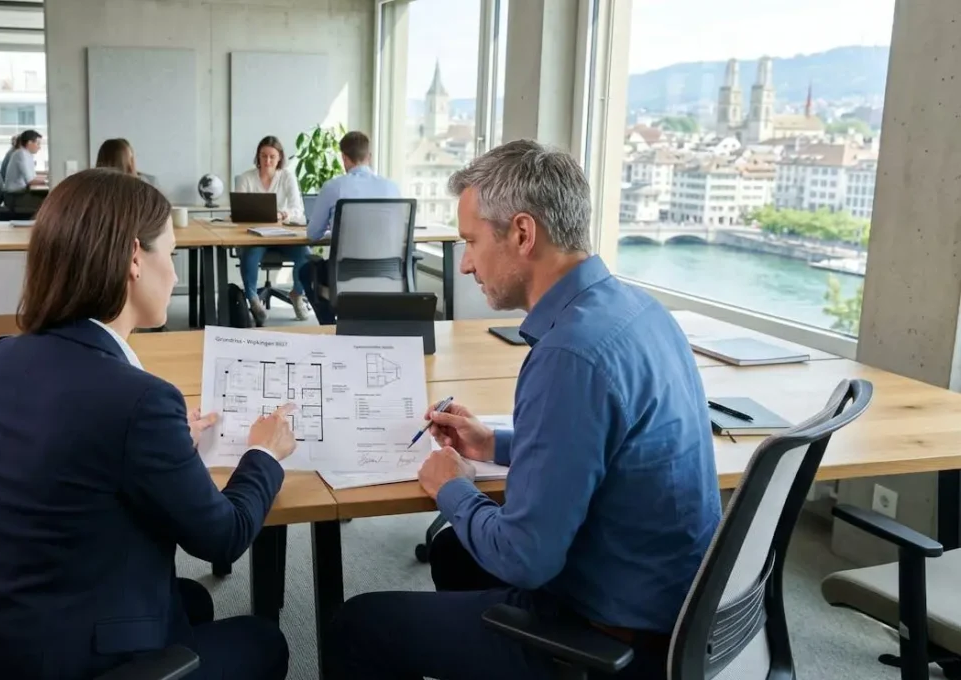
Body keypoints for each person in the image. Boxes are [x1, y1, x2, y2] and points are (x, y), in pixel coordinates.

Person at [325, 140, 721, 680]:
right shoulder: (638, 310)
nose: (463, 264)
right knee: (452, 553)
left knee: (356, 625)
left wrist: (451, 486)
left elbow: (525, 558)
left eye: (470, 242)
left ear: (522, 233)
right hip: (676, 599)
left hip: (615, 631)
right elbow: (600, 445)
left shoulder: (569, 355)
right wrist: (492, 444)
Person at [0, 169, 295, 680]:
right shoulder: (140, 400)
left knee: (192, 600)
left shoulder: (0, 358)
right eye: (170, 255)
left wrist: (166, 443)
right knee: (266, 642)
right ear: (135, 257)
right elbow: (224, 537)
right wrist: (263, 454)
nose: (175, 275)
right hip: (70, 662)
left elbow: (76, 448)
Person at [299, 130, 399, 324]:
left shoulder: (334, 187)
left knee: (304, 272)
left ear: (344, 158)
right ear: (369, 157)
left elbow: (312, 234)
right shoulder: (392, 187)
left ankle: (331, 328)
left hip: (345, 274)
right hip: (387, 273)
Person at [234, 135, 310, 323]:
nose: (267, 161)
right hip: (255, 235)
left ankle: (296, 294)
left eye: (272, 157)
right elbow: (239, 211)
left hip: (284, 235)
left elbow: (298, 209)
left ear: (279, 158)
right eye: (263, 156)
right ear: (258, 157)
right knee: (250, 254)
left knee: (305, 255)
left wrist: (282, 215)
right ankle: (253, 299)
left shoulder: (287, 177)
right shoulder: (245, 179)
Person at [0, 129, 47, 215]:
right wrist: (47, 181)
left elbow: (33, 177)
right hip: (15, 198)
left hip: (19, 194)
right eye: (38, 143)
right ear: (29, 143)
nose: (39, 147)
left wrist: (48, 178)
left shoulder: (26, 154)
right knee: (51, 202)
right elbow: (30, 181)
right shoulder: (21, 154)